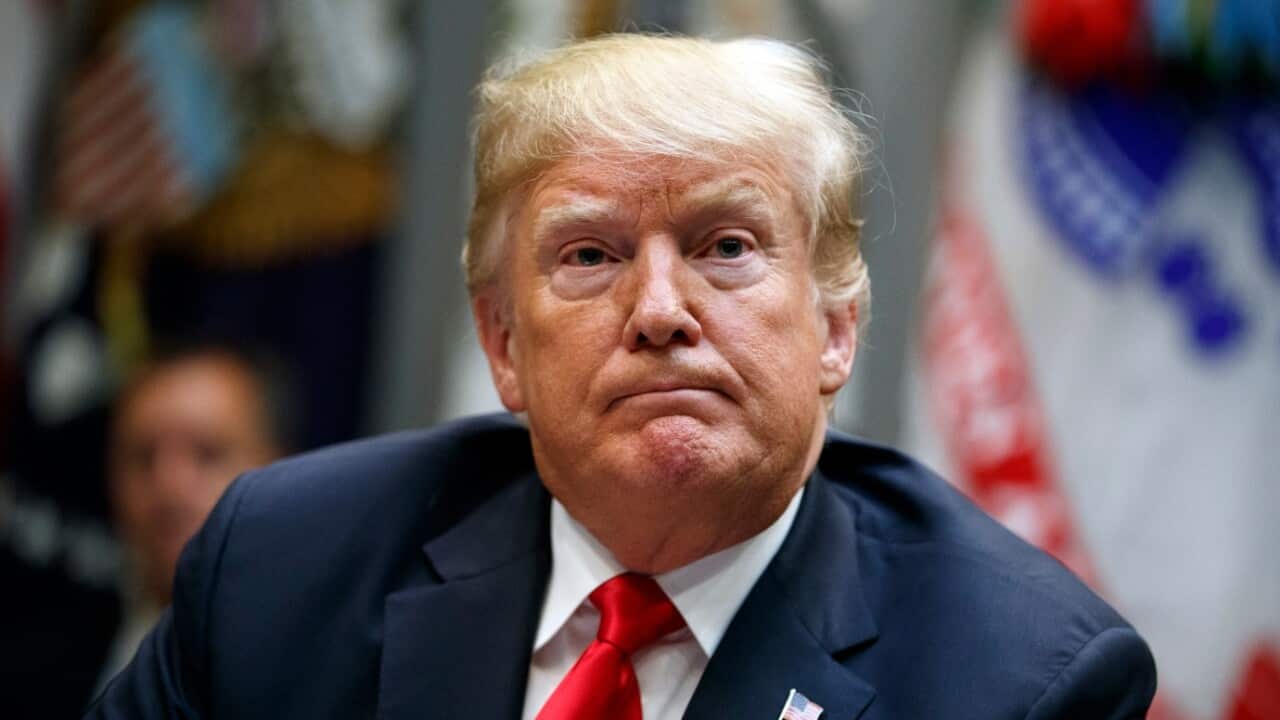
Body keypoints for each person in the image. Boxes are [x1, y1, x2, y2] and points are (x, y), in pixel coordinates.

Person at [87, 34, 1156, 719]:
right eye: (590, 255)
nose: (657, 312)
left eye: (725, 246)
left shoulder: (1023, 684)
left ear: (836, 328)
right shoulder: (283, 570)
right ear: (502, 345)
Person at [94, 343, 288, 699]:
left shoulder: (322, 669)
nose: (169, 486)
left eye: (207, 453)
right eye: (143, 457)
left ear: (280, 468)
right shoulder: (34, 656)